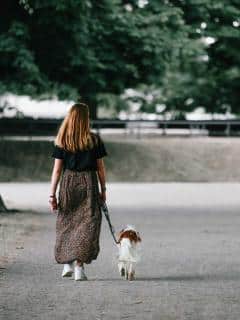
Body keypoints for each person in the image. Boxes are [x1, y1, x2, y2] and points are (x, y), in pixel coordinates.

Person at [49, 103, 108, 281]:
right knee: (88, 223)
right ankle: (79, 268)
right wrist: (103, 189)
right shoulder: (94, 140)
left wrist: (52, 194)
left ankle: (67, 263)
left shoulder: (62, 140)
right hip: (89, 182)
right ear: (86, 119)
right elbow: (100, 169)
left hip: (68, 182)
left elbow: (57, 171)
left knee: (66, 221)